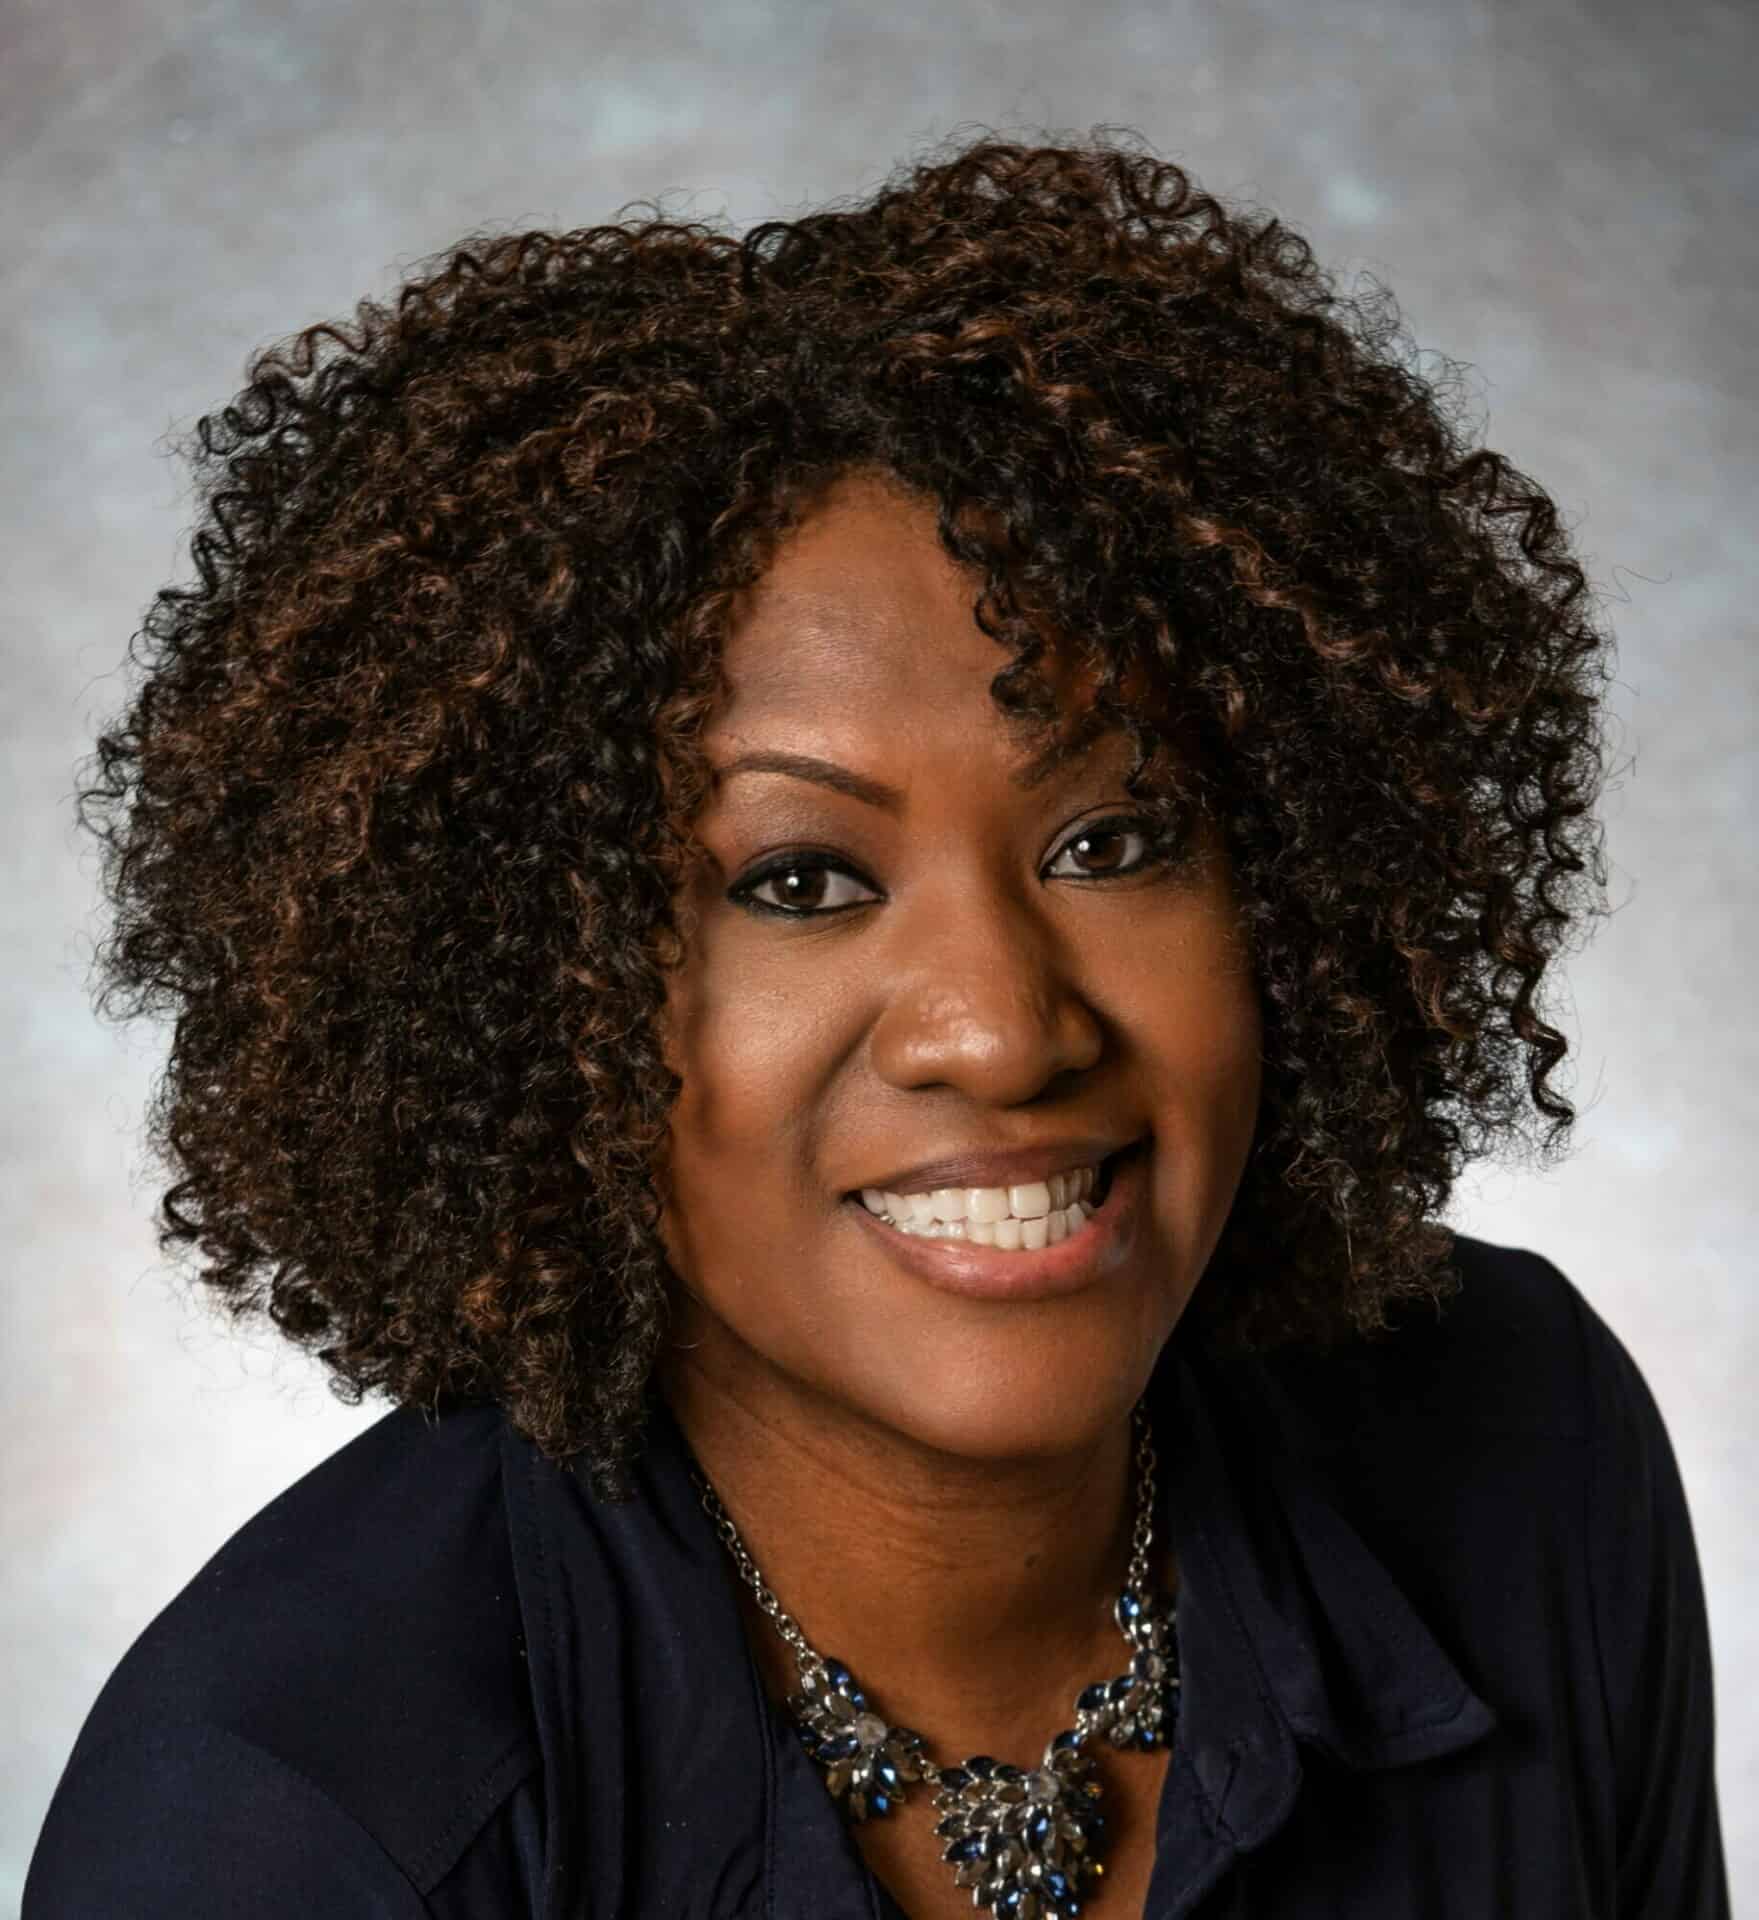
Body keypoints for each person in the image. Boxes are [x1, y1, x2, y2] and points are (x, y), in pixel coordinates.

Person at [24, 131, 1729, 1918]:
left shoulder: (1521, 1452)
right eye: (802, 881)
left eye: (1113, 840)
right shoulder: (287, 1817)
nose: (1001, 1033)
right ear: (525, 981)